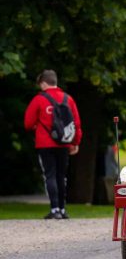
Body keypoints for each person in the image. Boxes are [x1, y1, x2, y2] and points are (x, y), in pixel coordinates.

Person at [24, 70, 82, 219]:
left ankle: (54, 209)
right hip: (64, 144)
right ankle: (63, 210)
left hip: (45, 143)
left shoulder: (39, 99)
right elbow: (76, 123)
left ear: (43, 83)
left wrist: (38, 126)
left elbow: (28, 123)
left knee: (49, 175)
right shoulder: (68, 99)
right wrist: (75, 143)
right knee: (61, 176)